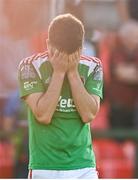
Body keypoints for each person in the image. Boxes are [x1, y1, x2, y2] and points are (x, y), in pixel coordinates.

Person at [18, 14, 103, 179]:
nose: (64, 59)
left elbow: (88, 114)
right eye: (59, 54)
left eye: (71, 55)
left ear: (80, 49)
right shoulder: (30, 66)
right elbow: (43, 115)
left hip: (83, 166)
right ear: (48, 45)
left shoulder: (93, 66)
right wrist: (58, 72)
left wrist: (72, 73)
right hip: (44, 167)